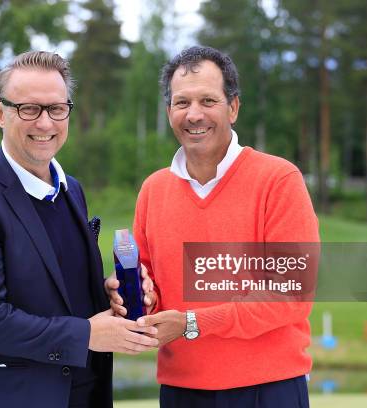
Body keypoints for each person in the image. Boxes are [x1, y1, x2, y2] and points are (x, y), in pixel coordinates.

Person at [0, 51, 158, 408]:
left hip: (83, 395)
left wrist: (114, 295)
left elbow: (58, 289)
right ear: (0, 113)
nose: (45, 123)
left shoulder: (72, 190)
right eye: (29, 109)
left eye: (56, 109)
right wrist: (87, 334)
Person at [107, 46, 319, 407]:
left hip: (268, 389)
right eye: (181, 102)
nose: (194, 115)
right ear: (169, 111)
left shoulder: (278, 180)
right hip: (180, 391)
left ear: (233, 108)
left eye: (208, 100)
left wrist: (192, 322)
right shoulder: (153, 190)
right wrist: (133, 299)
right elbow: (153, 288)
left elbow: (290, 296)